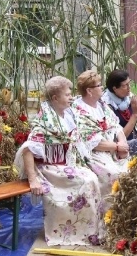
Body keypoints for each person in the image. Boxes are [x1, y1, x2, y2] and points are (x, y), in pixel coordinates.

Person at [15, 76, 103, 246]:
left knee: (93, 176)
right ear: (55, 98)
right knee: (86, 180)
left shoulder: (69, 115)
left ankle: (89, 230)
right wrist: (33, 180)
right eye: (68, 95)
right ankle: (73, 232)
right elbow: (27, 149)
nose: (71, 98)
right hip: (49, 167)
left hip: (66, 163)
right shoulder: (45, 120)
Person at [71, 70, 129, 200]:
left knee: (130, 168)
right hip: (94, 154)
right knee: (113, 174)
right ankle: (107, 212)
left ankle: (126, 212)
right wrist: (117, 147)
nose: (102, 87)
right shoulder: (79, 111)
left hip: (113, 149)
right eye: (98, 85)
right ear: (89, 91)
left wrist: (123, 143)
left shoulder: (101, 105)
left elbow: (116, 125)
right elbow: (93, 142)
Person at [102, 69, 137, 156]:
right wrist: (135, 115)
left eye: (129, 83)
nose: (129, 87)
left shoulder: (130, 97)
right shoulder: (105, 105)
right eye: (125, 85)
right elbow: (117, 138)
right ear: (115, 88)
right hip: (121, 147)